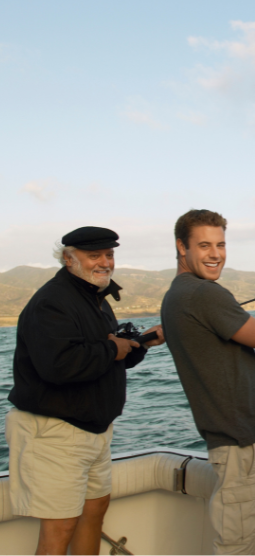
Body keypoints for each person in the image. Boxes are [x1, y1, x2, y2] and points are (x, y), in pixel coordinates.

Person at [160, 209, 255, 555]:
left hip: (244, 441)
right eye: (204, 245)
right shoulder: (203, 294)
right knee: (242, 546)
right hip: (243, 444)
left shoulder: (175, 296)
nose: (216, 254)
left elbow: (210, 365)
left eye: (221, 244)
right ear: (181, 247)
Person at [5, 226, 165, 555]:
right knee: (59, 528)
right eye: (95, 256)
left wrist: (139, 344)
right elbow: (59, 366)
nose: (105, 262)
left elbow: (104, 357)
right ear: (68, 259)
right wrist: (112, 350)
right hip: (55, 433)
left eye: (109, 255)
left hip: (94, 431)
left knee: (94, 512)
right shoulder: (51, 303)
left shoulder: (96, 298)